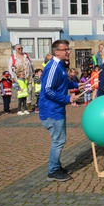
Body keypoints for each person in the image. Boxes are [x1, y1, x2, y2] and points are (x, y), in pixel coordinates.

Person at [39, 40, 82, 182]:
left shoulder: (61, 66)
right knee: (58, 141)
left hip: (57, 109)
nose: (68, 51)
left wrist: (77, 84)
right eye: (65, 49)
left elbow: (62, 83)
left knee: (59, 140)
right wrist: (67, 99)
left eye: (68, 49)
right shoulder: (53, 67)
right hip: (51, 111)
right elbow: (47, 90)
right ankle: (52, 171)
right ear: (56, 52)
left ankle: (56, 166)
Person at [9, 44, 35, 112]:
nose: (21, 50)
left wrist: (33, 72)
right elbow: (10, 68)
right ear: (15, 49)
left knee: (29, 90)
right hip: (19, 77)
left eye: (21, 48)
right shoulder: (13, 57)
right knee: (22, 91)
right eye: (19, 49)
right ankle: (22, 105)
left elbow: (31, 64)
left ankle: (28, 103)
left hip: (28, 76)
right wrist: (12, 77)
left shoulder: (26, 55)